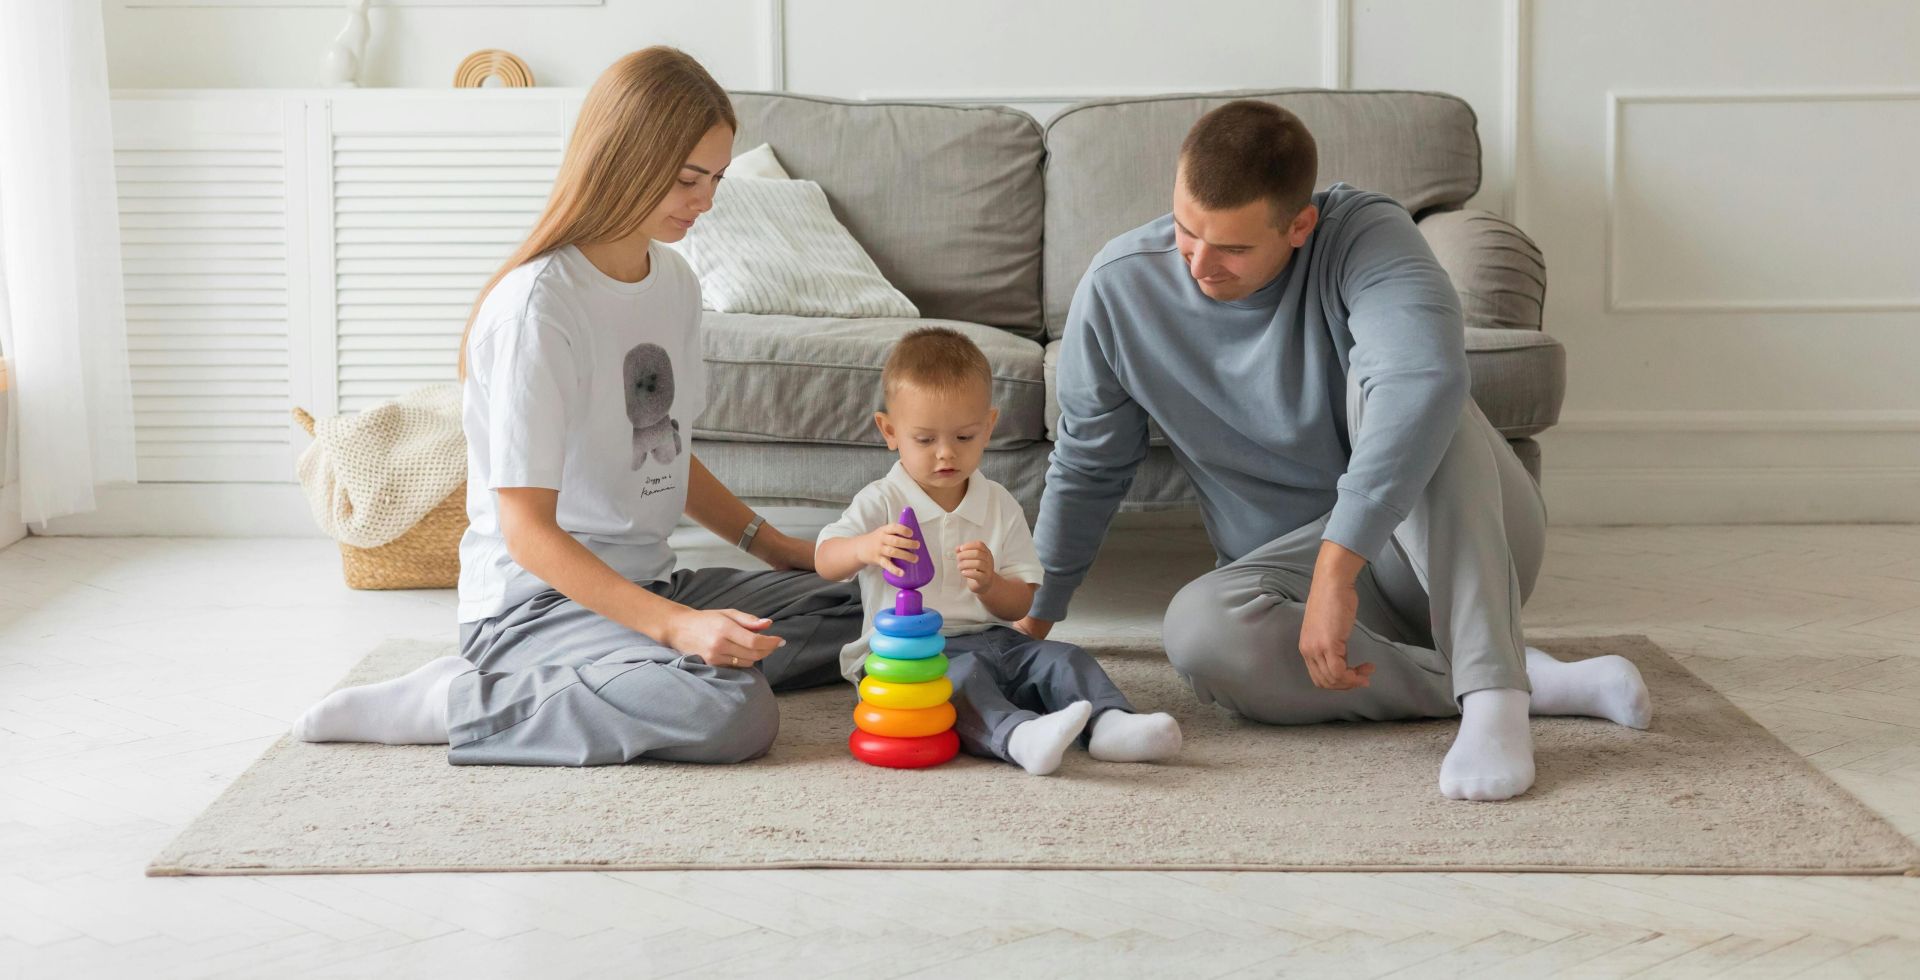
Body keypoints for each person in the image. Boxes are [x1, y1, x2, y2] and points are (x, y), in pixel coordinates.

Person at [1019, 101, 1651, 801]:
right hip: (1289, 579)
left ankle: (1496, 696)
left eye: (1231, 247)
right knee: (1198, 633)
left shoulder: (1365, 235)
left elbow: (1424, 381)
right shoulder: (1119, 290)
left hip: (1454, 541)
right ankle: (1524, 679)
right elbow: (1088, 465)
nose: (1199, 263)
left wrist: (1337, 566)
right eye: (1186, 230)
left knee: (1409, 391)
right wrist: (1034, 616)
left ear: (1298, 226)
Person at [294, 47, 861, 766]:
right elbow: (526, 534)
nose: (707, 201)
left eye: (716, 178)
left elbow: (661, 448)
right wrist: (674, 629)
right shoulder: (537, 310)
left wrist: (784, 550)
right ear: (626, 157)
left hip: (646, 580)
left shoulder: (675, 283)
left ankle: (636, 669)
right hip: (534, 607)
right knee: (732, 713)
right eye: (690, 178)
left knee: (861, 607)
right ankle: (458, 700)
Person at [816, 328, 1182, 775]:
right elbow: (825, 560)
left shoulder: (998, 503)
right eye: (925, 440)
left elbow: (1021, 604)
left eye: (965, 437)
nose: (946, 453)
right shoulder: (881, 501)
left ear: (988, 427)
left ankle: (1111, 724)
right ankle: (1019, 735)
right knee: (961, 680)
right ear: (890, 432)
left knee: (1066, 658)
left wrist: (990, 586)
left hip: (994, 638)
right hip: (909, 657)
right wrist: (864, 546)